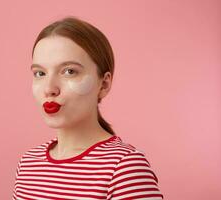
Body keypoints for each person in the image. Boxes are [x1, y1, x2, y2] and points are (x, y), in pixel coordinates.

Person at [12, 16, 164, 200]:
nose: (49, 89)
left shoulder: (124, 168)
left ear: (104, 84)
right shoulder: (28, 164)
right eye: (40, 73)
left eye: (69, 71)